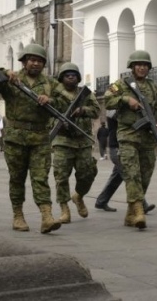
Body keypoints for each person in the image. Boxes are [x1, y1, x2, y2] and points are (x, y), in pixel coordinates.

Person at [0, 43, 63, 234]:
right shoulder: (13, 79)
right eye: (32, 60)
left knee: (40, 178)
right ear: (25, 61)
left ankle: (46, 216)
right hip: (16, 138)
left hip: (40, 138)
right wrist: (3, 72)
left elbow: (62, 102)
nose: (35, 64)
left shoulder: (51, 83)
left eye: (39, 61)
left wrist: (49, 100)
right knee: (17, 178)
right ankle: (18, 215)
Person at [103, 49, 157, 230]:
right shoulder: (122, 84)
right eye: (138, 65)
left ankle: (131, 212)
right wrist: (125, 99)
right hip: (128, 135)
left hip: (148, 137)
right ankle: (139, 210)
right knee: (132, 173)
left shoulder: (154, 87)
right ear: (132, 67)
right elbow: (107, 100)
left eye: (145, 65)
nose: (141, 68)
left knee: (145, 175)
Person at [51, 62, 100, 224]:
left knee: (88, 173)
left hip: (83, 141)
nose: (71, 77)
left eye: (73, 75)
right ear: (61, 78)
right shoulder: (55, 93)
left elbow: (96, 110)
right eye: (67, 75)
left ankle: (78, 196)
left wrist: (82, 110)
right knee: (61, 176)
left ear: (78, 78)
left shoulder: (84, 94)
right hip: (62, 141)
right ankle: (64, 208)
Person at [94, 109, 155, 214]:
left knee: (117, 177)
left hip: (125, 146)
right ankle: (141, 204)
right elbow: (117, 115)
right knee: (131, 175)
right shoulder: (113, 107)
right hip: (117, 148)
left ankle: (101, 201)